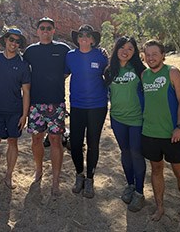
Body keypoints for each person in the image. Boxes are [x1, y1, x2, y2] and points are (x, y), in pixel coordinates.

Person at [141, 39, 180, 225]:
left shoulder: (173, 72)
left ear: (163, 55)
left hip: (172, 135)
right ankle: (160, 207)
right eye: (147, 55)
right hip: (150, 133)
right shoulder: (144, 75)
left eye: (154, 54)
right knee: (156, 170)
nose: (151, 58)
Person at [24, 17, 70, 196]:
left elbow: (68, 70)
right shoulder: (30, 51)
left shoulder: (63, 49)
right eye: (42, 28)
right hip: (35, 104)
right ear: (37, 31)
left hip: (56, 103)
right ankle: (39, 170)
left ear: (53, 30)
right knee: (36, 140)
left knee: (56, 140)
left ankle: (56, 179)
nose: (45, 30)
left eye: (48, 28)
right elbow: (20, 66)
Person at [64, 24, 109, 198]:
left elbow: (111, 73)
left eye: (87, 35)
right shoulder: (70, 56)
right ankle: (79, 174)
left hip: (97, 106)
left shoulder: (101, 56)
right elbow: (62, 75)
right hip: (77, 106)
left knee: (93, 144)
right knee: (75, 144)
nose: (83, 37)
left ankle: (90, 178)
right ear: (77, 38)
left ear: (92, 39)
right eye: (80, 35)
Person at [105, 36, 146, 211]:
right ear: (117, 49)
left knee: (136, 153)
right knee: (125, 151)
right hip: (117, 118)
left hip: (137, 119)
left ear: (135, 52)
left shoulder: (140, 70)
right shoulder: (109, 70)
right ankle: (130, 184)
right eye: (122, 47)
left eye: (130, 48)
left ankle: (139, 192)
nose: (126, 51)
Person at [0, 28, 31, 189]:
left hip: (15, 110)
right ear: (5, 40)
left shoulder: (23, 65)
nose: (14, 43)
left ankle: (8, 176)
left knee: (13, 141)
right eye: (11, 39)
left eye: (17, 41)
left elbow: (26, 91)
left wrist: (24, 115)